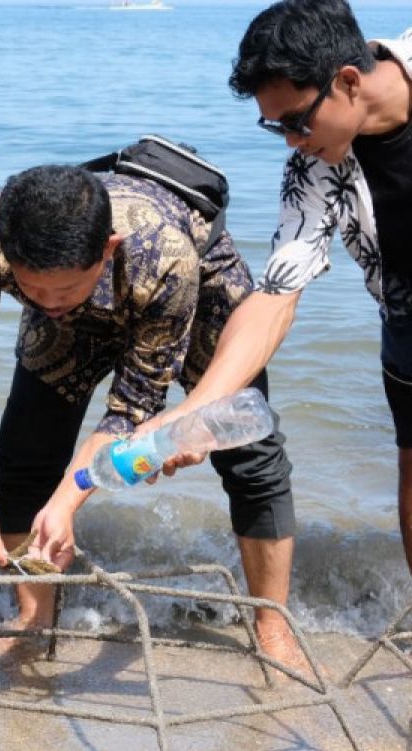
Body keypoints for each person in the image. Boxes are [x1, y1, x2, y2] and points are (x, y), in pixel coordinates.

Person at [0, 164, 303, 664]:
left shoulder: (165, 255)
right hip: (76, 324)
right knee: (24, 456)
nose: (49, 304)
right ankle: (35, 618)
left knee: (251, 459)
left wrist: (69, 500)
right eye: (32, 290)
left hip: (193, 291)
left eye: (63, 290)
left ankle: (272, 625)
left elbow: (131, 407)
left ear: (108, 247)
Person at [135, 2, 412, 576]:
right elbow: (274, 297)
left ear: (349, 82)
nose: (290, 141)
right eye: (275, 126)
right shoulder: (315, 168)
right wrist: (195, 410)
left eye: (296, 121)